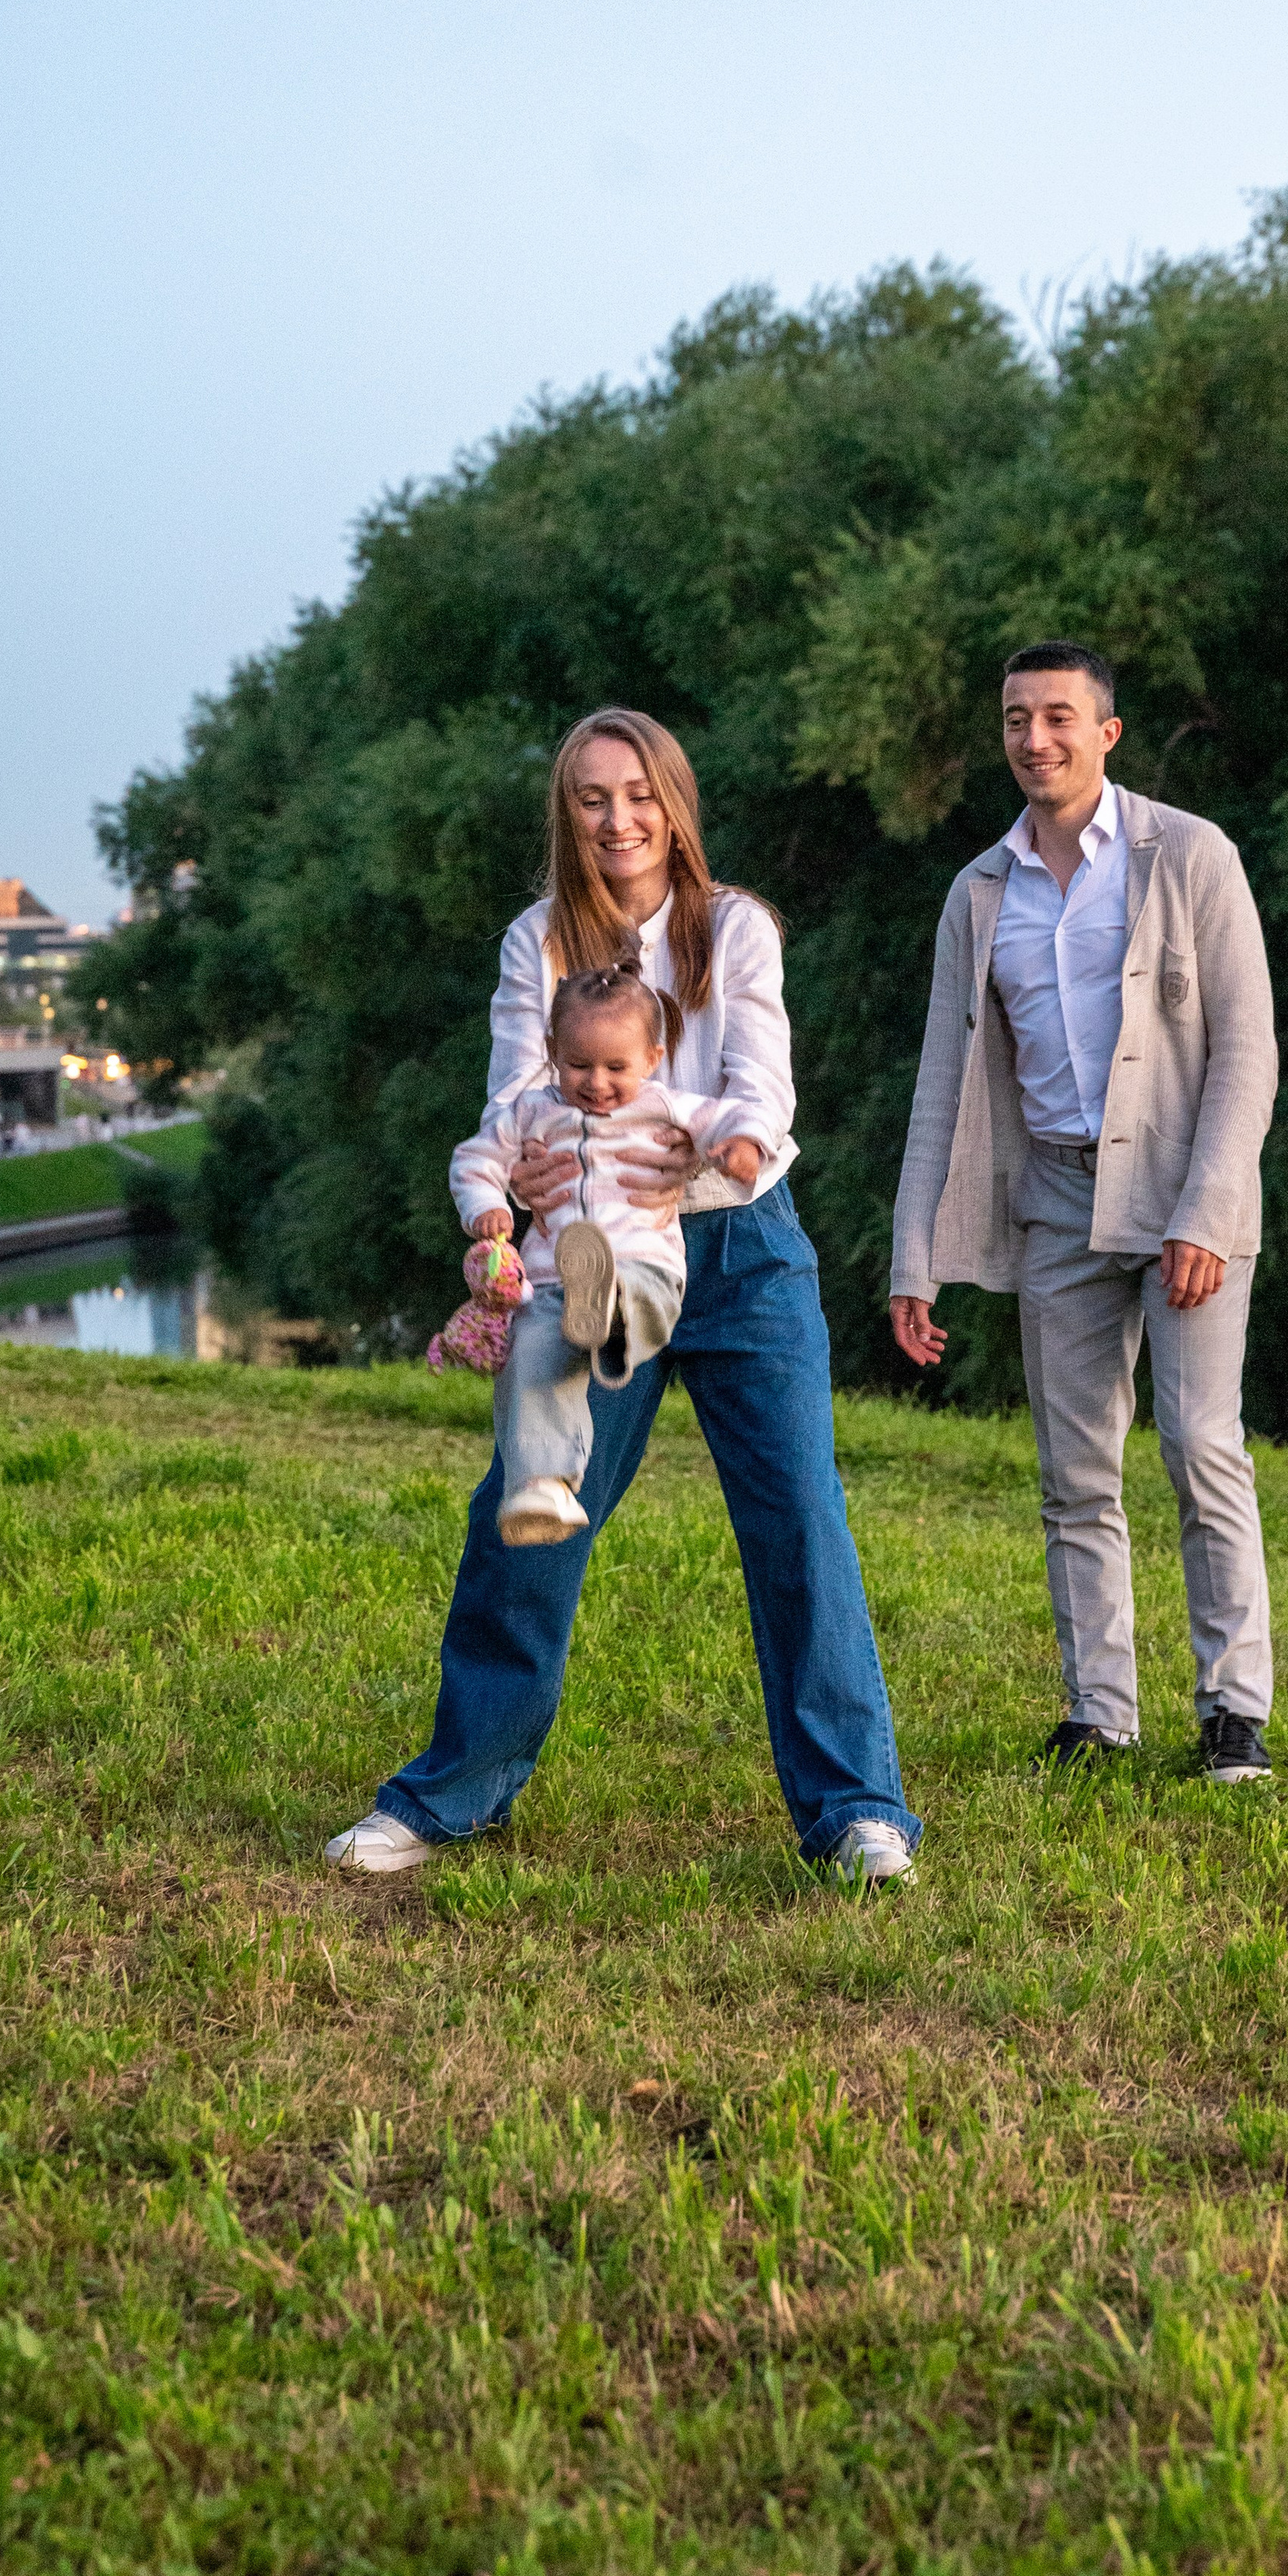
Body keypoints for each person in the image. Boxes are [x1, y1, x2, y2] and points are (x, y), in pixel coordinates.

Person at [326, 706, 921, 1884]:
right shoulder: (536, 940)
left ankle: (857, 1812)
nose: (618, 818)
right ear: (569, 813)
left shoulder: (735, 927)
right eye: (593, 797)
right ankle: (451, 1793)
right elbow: (514, 1106)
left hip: (741, 1250)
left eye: (639, 793)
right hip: (586, 1247)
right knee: (528, 1503)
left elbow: (761, 1090)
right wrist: (505, 1193)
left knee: (799, 1517)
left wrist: (705, 1158)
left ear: (674, 804)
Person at [889, 641, 1278, 1784]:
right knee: (1074, 1473)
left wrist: (1205, 1214)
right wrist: (913, 1256)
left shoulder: (1188, 854)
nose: (1035, 739)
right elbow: (942, 1083)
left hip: (1180, 1192)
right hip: (1054, 1200)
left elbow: (1247, 1051)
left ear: (1107, 732)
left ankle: (1232, 1712)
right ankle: (1101, 1711)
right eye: (1016, 718)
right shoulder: (980, 892)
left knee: (1202, 1448)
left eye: (1059, 716)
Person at [450, 959, 759, 1544]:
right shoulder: (534, 1111)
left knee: (637, 1298)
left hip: (645, 1265)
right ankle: (544, 1486)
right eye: (578, 1064)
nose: (596, 1083)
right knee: (530, 1358)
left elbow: (732, 1113)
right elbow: (476, 1159)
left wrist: (741, 1146)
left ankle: (612, 1314)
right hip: (552, 1280)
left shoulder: (666, 1105)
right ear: (551, 1051)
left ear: (652, 1057)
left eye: (616, 1067)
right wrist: (486, 1202)